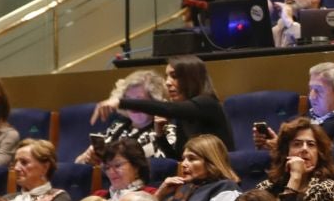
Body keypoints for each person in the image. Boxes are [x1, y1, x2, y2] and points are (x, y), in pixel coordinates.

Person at [93, 55, 232, 157]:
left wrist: (121, 102)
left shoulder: (207, 103)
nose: (167, 83)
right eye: (167, 76)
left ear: (191, 79)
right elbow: (177, 159)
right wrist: (160, 135)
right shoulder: (183, 116)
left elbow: (169, 109)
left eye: (174, 76)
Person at [154, 136, 238, 201]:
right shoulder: (182, 188)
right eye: (183, 159)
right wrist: (160, 194)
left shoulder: (224, 187)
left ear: (211, 162)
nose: (183, 164)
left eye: (192, 159)